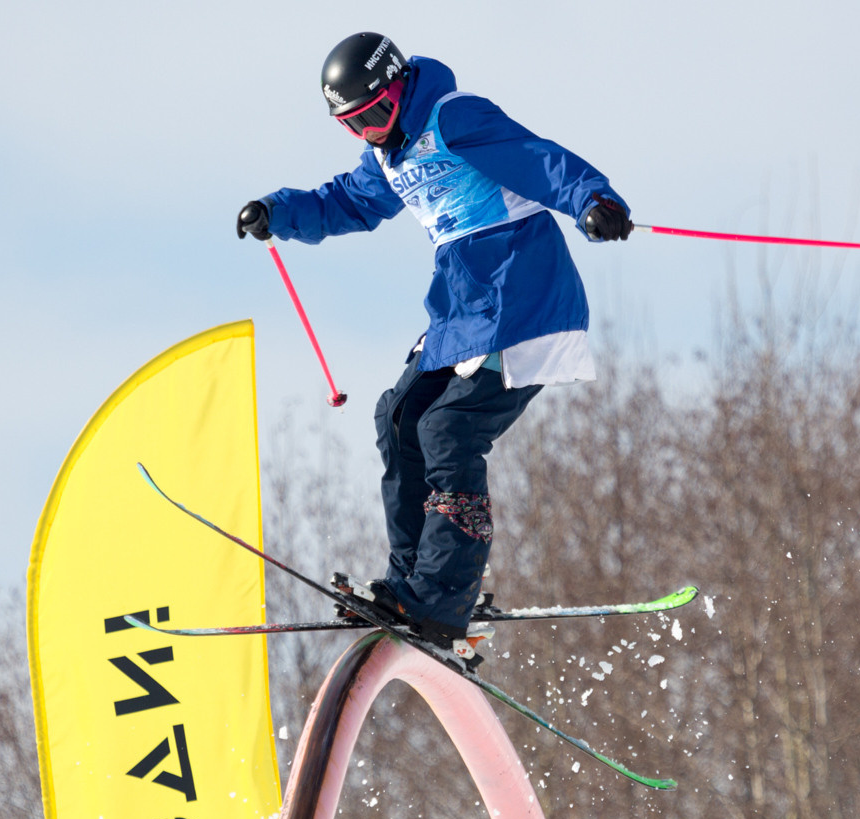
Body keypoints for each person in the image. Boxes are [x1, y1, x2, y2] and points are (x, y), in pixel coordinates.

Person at [236, 32, 631, 654]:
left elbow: (537, 158)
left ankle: (443, 596)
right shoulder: (386, 156)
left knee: (449, 430)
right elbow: (349, 202)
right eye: (354, 124)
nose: (369, 130)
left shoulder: (454, 116)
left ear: (397, 88)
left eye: (375, 112)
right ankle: (410, 584)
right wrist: (278, 212)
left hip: (520, 296)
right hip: (464, 307)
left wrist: (592, 200)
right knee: (398, 417)